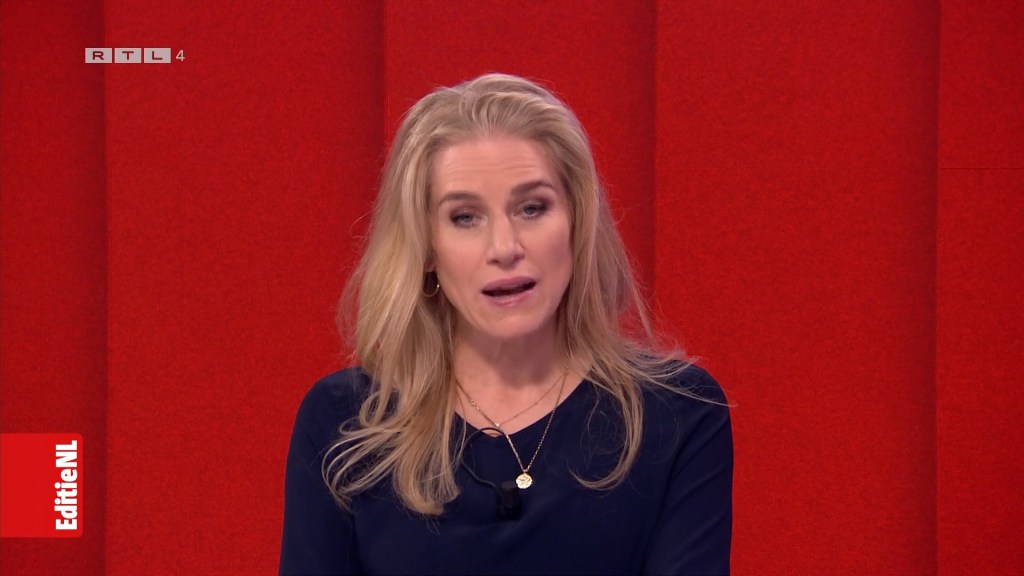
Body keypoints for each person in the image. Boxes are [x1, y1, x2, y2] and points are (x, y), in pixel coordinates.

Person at [279, 73, 732, 575]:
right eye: (465, 217)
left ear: (577, 222)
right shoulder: (347, 423)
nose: (505, 248)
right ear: (426, 248)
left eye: (532, 208)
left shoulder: (677, 414)